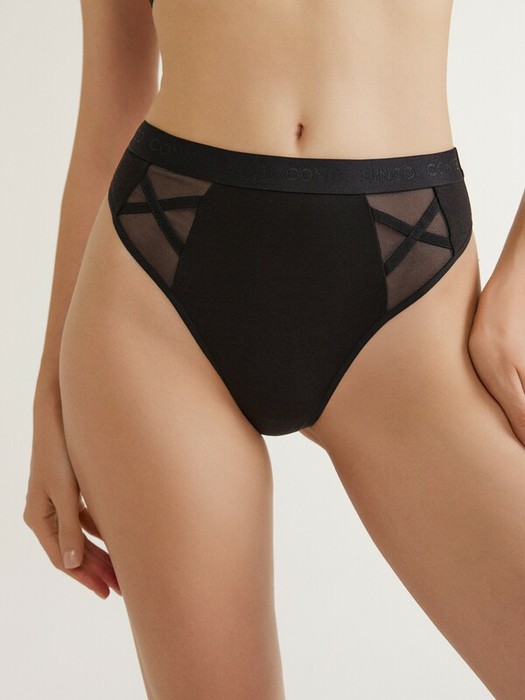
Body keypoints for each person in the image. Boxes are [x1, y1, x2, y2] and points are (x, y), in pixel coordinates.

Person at [23, 0, 525, 697]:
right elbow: (112, 98)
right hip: (154, 284)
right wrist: (50, 399)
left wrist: (516, 296)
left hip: (409, 286)